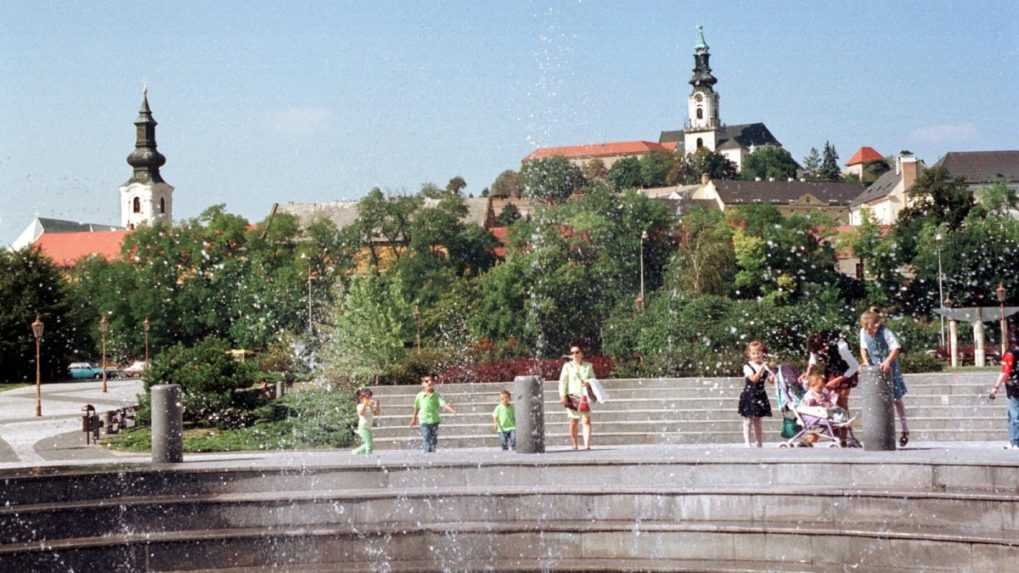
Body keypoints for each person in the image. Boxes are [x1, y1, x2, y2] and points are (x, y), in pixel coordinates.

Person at [859, 308, 910, 447]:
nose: (874, 330)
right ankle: (880, 431)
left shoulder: (885, 331)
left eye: (876, 327)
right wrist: (865, 361)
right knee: (877, 399)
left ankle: (905, 429)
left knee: (896, 398)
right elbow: (863, 349)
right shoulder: (863, 332)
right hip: (875, 369)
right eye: (871, 328)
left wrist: (887, 361)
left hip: (891, 368)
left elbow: (895, 348)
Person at [804, 330, 861, 446]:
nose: (821, 353)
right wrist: (807, 373)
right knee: (828, 403)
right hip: (832, 371)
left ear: (826, 343)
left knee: (841, 404)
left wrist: (837, 380)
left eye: (822, 349)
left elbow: (855, 366)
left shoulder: (841, 346)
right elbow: (812, 361)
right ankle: (833, 435)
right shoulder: (816, 346)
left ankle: (843, 438)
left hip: (847, 372)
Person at [558, 345, 595, 450]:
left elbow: (593, 379)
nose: (575, 354)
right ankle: (574, 443)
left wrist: (588, 383)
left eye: (577, 352)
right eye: (572, 352)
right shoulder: (567, 366)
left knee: (586, 420)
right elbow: (563, 382)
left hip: (584, 396)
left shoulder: (588, 366)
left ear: (581, 354)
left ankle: (587, 445)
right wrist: (562, 395)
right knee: (574, 421)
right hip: (572, 396)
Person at [738, 341, 773, 448]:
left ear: (762, 353)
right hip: (750, 395)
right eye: (753, 353)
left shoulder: (764, 366)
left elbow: (770, 381)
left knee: (758, 420)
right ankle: (747, 442)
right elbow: (753, 379)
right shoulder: (748, 366)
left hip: (760, 395)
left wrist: (772, 377)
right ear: (749, 354)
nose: (756, 355)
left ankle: (759, 442)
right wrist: (762, 369)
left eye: (758, 352)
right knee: (748, 419)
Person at [409, 375, 455, 453]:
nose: (429, 382)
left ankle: (432, 452)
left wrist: (451, 409)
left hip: (434, 420)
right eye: (426, 381)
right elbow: (416, 407)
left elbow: (443, 404)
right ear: (422, 384)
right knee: (426, 437)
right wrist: (414, 418)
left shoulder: (436, 395)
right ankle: (427, 453)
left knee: (434, 439)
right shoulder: (419, 396)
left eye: (430, 381)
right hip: (424, 421)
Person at [989, 341, 1019, 449]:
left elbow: (1005, 372)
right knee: (1012, 415)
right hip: (1014, 387)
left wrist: (995, 388)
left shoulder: (1010, 353)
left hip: (1014, 388)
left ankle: (1015, 442)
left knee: (1014, 416)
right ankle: (1012, 441)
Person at [351, 388, 381, 455]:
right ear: (361, 398)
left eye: (370, 396)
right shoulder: (360, 405)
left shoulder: (369, 406)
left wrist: (377, 406)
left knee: (370, 445)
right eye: (366, 397)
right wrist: (365, 404)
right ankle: (360, 454)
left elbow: (377, 413)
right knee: (368, 445)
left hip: (368, 428)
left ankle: (358, 453)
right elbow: (361, 413)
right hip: (363, 427)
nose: (369, 398)